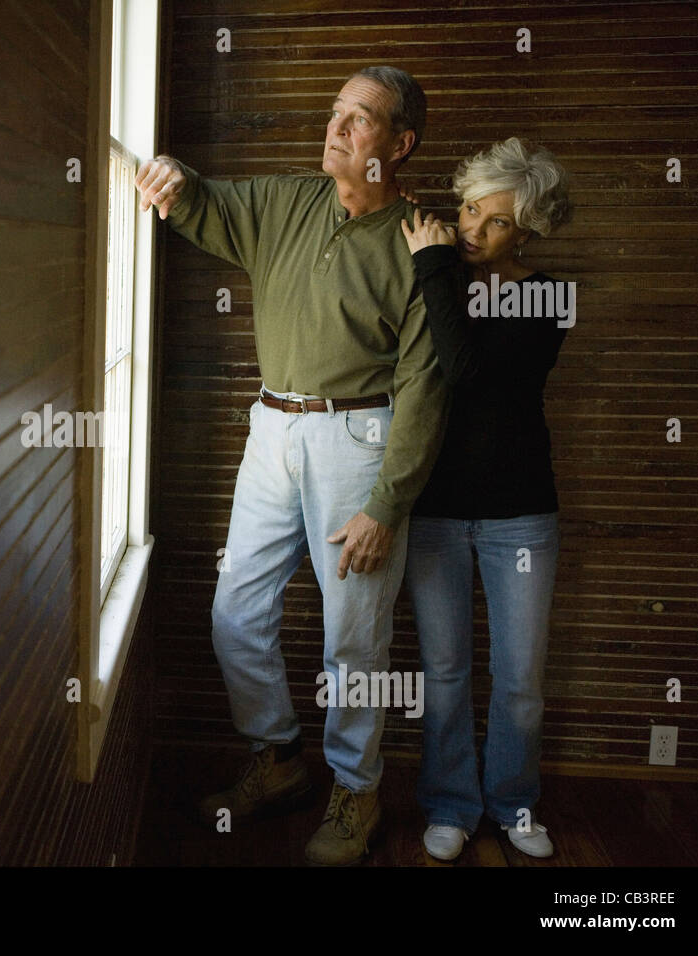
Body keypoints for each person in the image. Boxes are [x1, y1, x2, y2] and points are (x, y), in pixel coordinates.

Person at [135, 66, 449, 865]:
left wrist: (386, 504)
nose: (338, 127)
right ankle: (276, 758)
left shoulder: (422, 244)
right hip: (271, 427)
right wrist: (171, 177)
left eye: (361, 118)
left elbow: (423, 389)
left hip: (363, 438)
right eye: (336, 111)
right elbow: (201, 202)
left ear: (400, 145)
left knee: (355, 635)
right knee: (235, 608)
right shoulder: (285, 201)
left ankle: (357, 788)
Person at [399, 136, 573, 861]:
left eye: (495, 221)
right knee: (442, 671)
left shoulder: (548, 297)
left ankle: (514, 804)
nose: (472, 228)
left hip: (520, 515)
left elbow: (465, 367)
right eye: (469, 209)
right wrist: (434, 272)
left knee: (520, 678)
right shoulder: (438, 281)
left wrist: (433, 262)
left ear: (528, 230)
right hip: (434, 508)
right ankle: (449, 804)